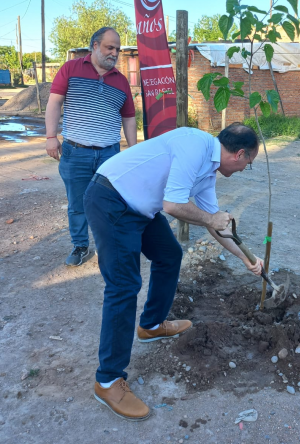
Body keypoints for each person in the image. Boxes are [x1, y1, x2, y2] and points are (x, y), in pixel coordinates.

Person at [83, 123, 263, 421]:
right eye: (249, 164)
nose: (247, 168)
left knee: (169, 254)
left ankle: (151, 325)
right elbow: (173, 205)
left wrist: (247, 258)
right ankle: (108, 381)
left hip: (140, 208)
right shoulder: (195, 146)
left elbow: (214, 225)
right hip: (111, 199)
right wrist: (212, 218)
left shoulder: (208, 172)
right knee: (123, 286)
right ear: (240, 155)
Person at [45, 27, 137, 267]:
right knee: (77, 204)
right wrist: (50, 136)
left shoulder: (121, 81)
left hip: (109, 155)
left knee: (110, 203)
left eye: (117, 49)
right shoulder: (71, 68)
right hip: (76, 152)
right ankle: (81, 247)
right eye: (110, 47)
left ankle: (109, 246)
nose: (115, 53)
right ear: (95, 45)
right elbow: (55, 102)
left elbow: (128, 117)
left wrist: (134, 150)